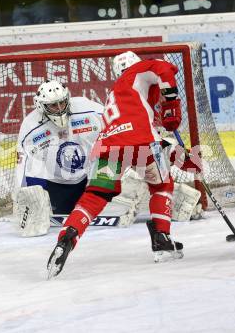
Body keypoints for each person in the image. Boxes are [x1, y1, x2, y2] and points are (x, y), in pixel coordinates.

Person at [47, 51, 201, 278]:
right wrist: (172, 104)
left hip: (107, 147)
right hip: (140, 142)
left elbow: (140, 130)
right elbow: (164, 69)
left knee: (95, 195)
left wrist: (174, 151)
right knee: (161, 185)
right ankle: (162, 239)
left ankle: (68, 236)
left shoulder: (117, 93)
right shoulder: (140, 70)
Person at [14, 80, 104, 237]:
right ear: (41, 105)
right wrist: (24, 197)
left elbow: (116, 122)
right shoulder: (30, 126)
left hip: (89, 179)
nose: (60, 108)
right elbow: (25, 167)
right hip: (56, 186)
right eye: (53, 105)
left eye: (62, 103)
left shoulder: (87, 108)